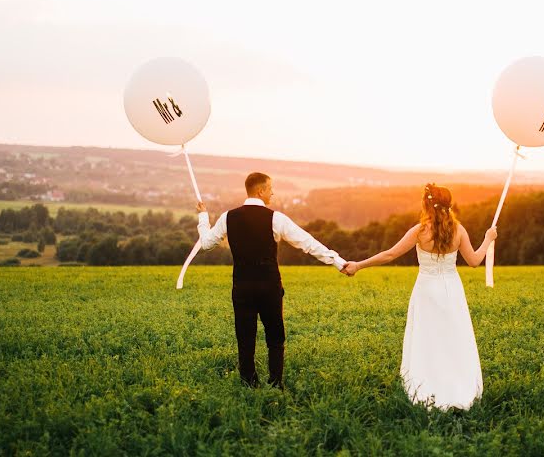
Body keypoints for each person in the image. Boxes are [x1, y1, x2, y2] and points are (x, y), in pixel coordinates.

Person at [342, 183, 497, 410]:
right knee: (452, 337)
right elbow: (474, 261)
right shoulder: (459, 230)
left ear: (426, 204)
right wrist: (488, 238)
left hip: (427, 290)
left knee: (428, 338)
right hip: (452, 290)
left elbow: (390, 254)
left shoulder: (420, 231)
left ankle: (429, 383)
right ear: (450, 204)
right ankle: (456, 382)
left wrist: (358, 265)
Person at [197, 172, 347, 389]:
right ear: (260, 191)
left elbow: (206, 244)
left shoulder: (227, 217)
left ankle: (249, 384)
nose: (273, 192)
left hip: (242, 287)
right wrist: (338, 263)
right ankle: (276, 383)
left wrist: (203, 217)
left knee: (245, 337)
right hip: (269, 288)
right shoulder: (276, 218)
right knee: (276, 337)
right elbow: (308, 243)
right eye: (270, 188)